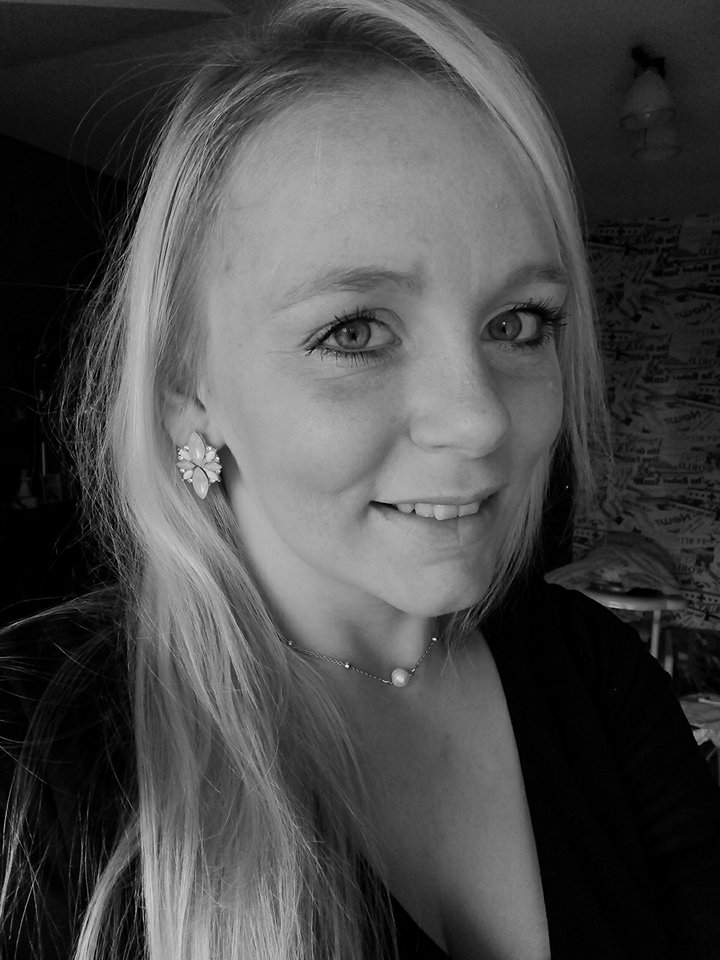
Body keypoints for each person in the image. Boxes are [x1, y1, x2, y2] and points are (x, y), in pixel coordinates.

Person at [1, 0, 719, 958]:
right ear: (186, 393)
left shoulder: (596, 676)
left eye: (518, 323)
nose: (480, 419)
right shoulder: (33, 757)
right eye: (353, 331)